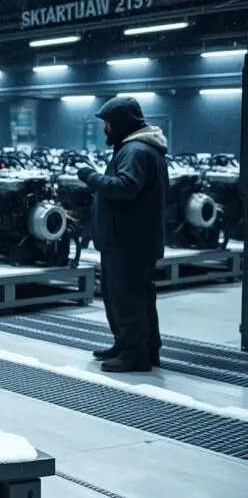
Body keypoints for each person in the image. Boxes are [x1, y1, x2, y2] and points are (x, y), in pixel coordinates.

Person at [77, 96, 167, 373]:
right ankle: (141, 346)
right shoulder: (142, 148)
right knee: (138, 296)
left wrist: (90, 177)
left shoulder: (136, 151)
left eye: (107, 122)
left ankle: (134, 354)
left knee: (125, 297)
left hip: (127, 242)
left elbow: (126, 187)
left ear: (120, 123)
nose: (105, 128)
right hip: (132, 239)